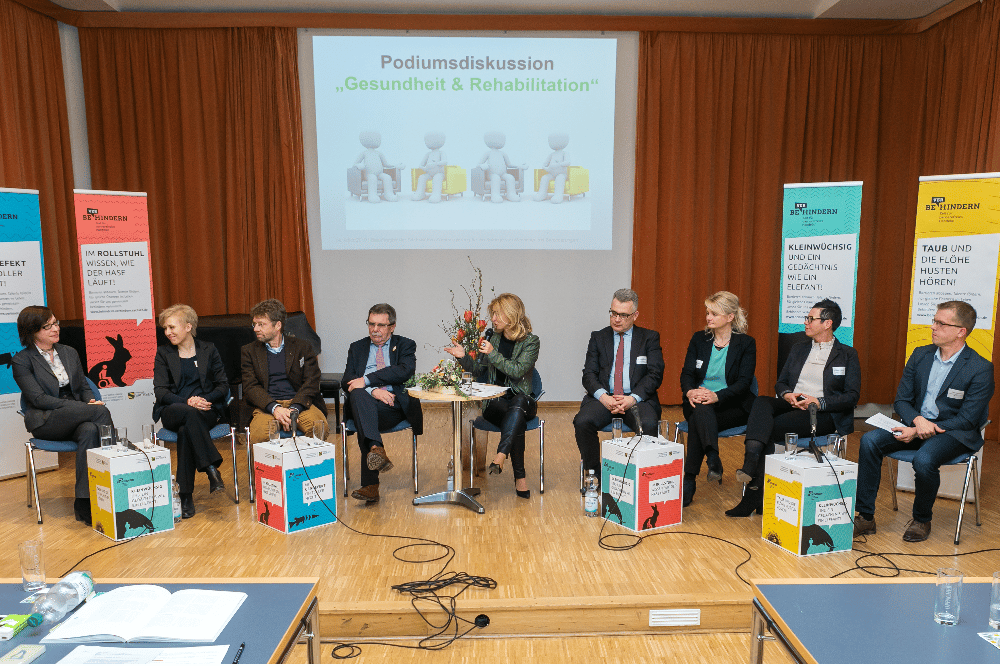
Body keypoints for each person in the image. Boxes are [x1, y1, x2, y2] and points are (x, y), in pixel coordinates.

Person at [854, 301, 994, 543]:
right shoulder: (921, 355)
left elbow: (968, 419)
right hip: (914, 424)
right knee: (869, 441)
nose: (933, 327)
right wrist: (917, 421)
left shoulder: (980, 368)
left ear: (961, 331)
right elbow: (902, 401)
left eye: (941, 323)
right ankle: (865, 517)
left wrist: (918, 432)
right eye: (934, 320)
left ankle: (921, 519)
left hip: (954, 433)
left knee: (925, 458)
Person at [727, 298, 860, 517]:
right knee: (761, 402)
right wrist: (788, 394)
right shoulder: (799, 349)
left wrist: (819, 402)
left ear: (827, 323)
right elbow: (781, 382)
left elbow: (852, 396)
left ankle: (752, 492)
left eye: (810, 319)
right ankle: (751, 462)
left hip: (822, 413)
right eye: (806, 318)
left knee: (768, 427)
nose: (806, 322)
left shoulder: (847, 355)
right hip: (793, 404)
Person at [12, 305, 115, 526]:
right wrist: (82, 408)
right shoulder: (22, 360)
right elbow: (38, 399)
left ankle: (83, 501)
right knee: (101, 412)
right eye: (47, 326)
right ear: (32, 331)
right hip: (46, 419)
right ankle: (116, 477)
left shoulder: (69, 352)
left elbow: (83, 386)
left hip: (76, 415)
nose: (55, 329)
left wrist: (89, 402)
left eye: (56, 323)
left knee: (89, 429)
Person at [446, 293, 540, 498]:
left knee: (518, 404)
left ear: (511, 315)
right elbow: (479, 372)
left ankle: (501, 455)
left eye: (497, 314)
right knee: (515, 419)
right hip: (495, 405)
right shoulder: (492, 338)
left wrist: (493, 354)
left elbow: (517, 370)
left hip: (523, 401)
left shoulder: (531, 342)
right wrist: (463, 358)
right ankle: (515, 473)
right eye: (493, 314)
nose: (493, 319)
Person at [573, 289, 664, 476]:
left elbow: (655, 374)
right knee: (582, 422)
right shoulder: (598, 338)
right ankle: (594, 474)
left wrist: (633, 398)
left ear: (635, 315)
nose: (616, 319)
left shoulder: (649, 338)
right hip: (604, 398)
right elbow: (588, 374)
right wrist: (604, 397)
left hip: (637, 400)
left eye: (623, 315)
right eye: (613, 313)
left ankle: (642, 477)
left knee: (648, 424)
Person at [680, 291, 757, 507]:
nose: (708, 317)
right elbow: (687, 373)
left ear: (730, 316)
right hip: (697, 401)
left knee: (699, 417)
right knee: (701, 409)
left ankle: (690, 479)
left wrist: (716, 396)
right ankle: (713, 457)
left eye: (714, 313)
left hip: (732, 405)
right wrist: (690, 392)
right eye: (707, 312)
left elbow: (743, 383)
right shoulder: (699, 339)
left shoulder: (746, 344)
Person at [153, 304, 229, 519]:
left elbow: (223, 386)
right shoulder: (164, 353)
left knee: (188, 429)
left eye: (171, 327)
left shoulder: (209, 349)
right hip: (173, 409)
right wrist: (188, 401)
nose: (167, 332)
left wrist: (203, 401)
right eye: (165, 328)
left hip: (204, 410)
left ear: (188, 326)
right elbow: (160, 391)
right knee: (187, 415)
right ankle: (211, 467)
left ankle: (185, 495)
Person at [343, 303, 423, 504]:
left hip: (392, 407)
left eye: (380, 325)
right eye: (371, 324)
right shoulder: (357, 347)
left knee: (362, 410)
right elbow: (347, 380)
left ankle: (371, 485)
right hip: (366, 402)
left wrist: (367, 380)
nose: (375, 329)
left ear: (392, 326)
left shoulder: (405, 344)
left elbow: (405, 370)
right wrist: (373, 390)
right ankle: (376, 449)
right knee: (359, 398)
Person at [241, 299, 326, 444]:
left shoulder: (302, 347)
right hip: (266, 406)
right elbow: (250, 386)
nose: (255, 329)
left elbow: (311, 381)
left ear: (277, 325)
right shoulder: (249, 351)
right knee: (259, 436)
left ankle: (303, 467)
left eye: (261, 324)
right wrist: (275, 408)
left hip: (300, 404)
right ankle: (273, 467)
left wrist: (295, 408)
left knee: (318, 428)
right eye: (254, 324)